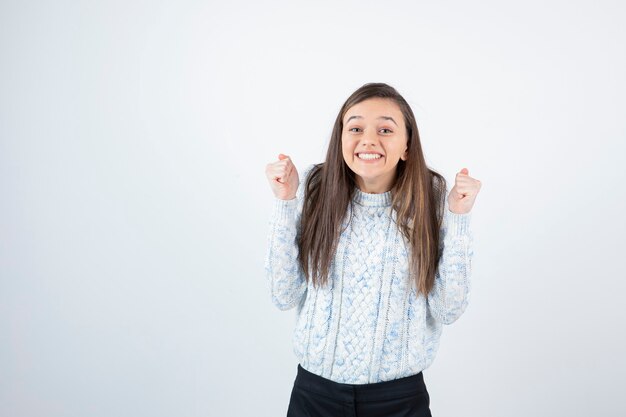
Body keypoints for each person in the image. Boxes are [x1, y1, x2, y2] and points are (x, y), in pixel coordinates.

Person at [263, 82, 482, 417]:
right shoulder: (314, 189)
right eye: (355, 128)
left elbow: (448, 309)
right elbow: (284, 295)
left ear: (407, 145)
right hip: (315, 397)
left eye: (385, 129)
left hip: (399, 400)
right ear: (341, 140)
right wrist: (285, 203)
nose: (368, 140)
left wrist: (459, 219)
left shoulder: (434, 198)